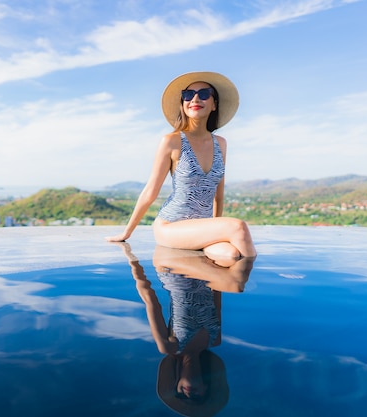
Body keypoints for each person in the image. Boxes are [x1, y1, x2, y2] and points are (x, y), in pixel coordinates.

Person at [106, 71, 257, 263]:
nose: (195, 98)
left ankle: (222, 288)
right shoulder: (172, 141)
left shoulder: (221, 143)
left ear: (214, 105)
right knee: (238, 227)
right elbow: (151, 190)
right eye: (188, 94)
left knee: (232, 255)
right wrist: (126, 232)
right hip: (171, 226)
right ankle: (267, 284)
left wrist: (214, 228)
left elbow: (218, 192)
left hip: (201, 228)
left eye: (204, 94)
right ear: (183, 103)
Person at [113, 242, 254, 416]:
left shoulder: (169, 347)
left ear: (177, 385)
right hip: (206, 270)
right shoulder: (213, 340)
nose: (189, 394)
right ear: (205, 387)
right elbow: (217, 296)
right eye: (197, 398)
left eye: (182, 395)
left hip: (175, 268)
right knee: (233, 259)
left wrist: (132, 261)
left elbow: (151, 302)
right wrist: (218, 269)